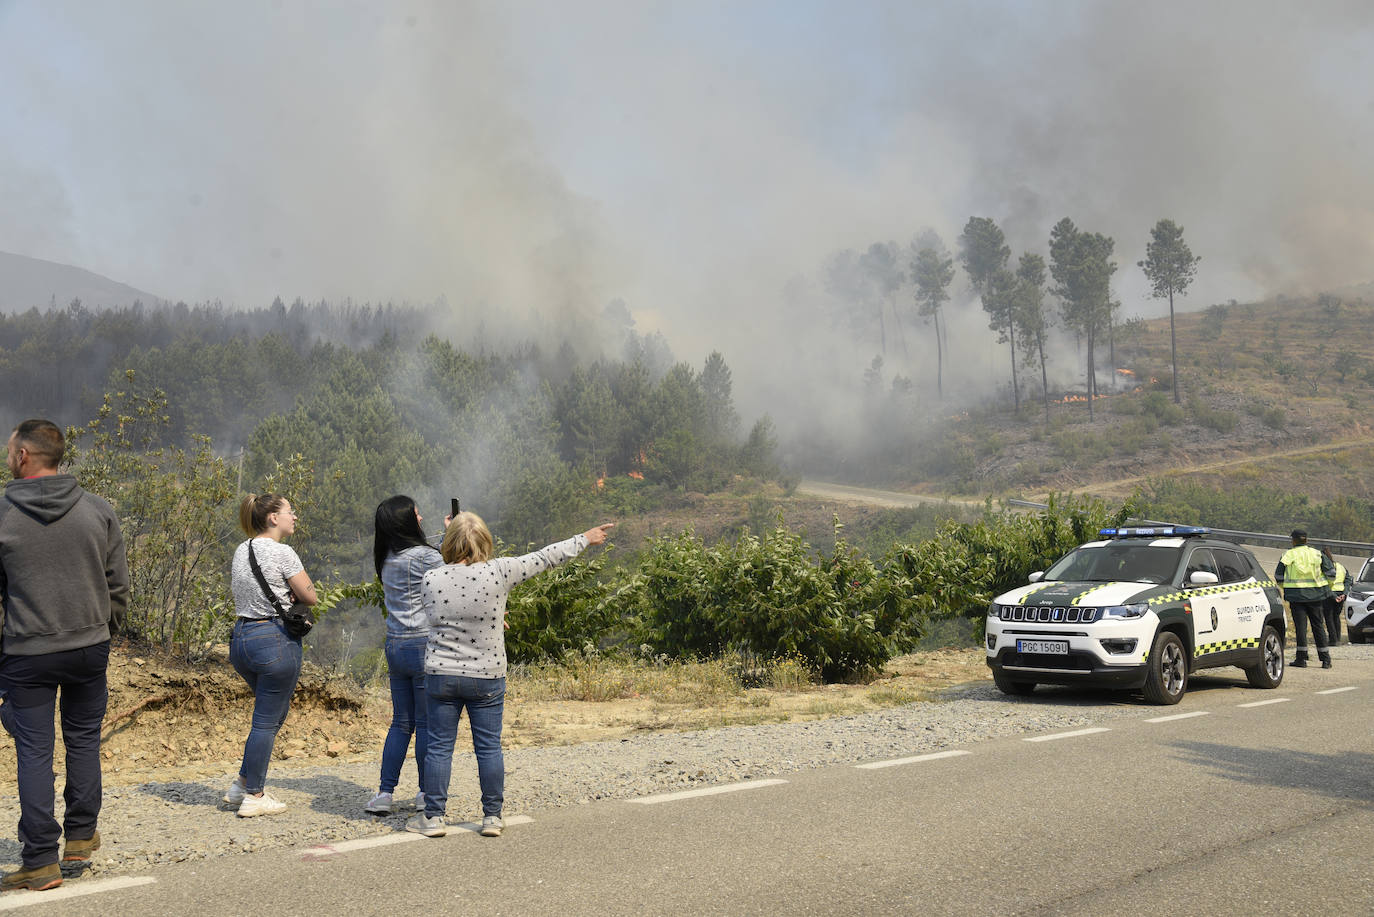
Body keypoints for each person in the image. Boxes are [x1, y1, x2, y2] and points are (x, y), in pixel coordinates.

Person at [407, 512, 613, 839]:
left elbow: (437, 616)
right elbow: (545, 557)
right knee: (488, 747)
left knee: (439, 747)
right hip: (487, 675)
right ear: (486, 541)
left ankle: (433, 817)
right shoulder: (500, 571)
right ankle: (492, 817)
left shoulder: (431, 578)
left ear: (449, 543)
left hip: (442, 674)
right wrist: (585, 538)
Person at [0, 419, 128, 892]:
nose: (7, 456)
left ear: (24, 456)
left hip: (27, 651)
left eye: (9, 450)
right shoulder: (98, 509)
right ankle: (80, 835)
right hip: (89, 647)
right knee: (83, 739)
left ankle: (39, 859)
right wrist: (104, 632)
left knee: (34, 751)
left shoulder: (3, 514)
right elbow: (118, 586)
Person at [224, 493, 318, 817]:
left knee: (272, 713)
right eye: (290, 511)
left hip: (242, 639)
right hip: (274, 640)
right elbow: (310, 595)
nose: (295, 516)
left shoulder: (243, 549)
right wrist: (294, 592)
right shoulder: (283, 552)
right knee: (266, 720)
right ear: (273, 518)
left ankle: (241, 783)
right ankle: (255, 795)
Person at [365, 495, 444, 815]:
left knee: (400, 723)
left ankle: (385, 793)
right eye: (416, 514)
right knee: (425, 724)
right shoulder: (425, 557)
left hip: (395, 645)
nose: (421, 518)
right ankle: (425, 792)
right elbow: (453, 573)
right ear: (406, 521)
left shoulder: (385, 558)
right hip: (422, 644)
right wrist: (454, 533)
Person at [1275, 529, 1335, 669]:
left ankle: (1301, 659)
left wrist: (1288, 588)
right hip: (1316, 596)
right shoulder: (1317, 554)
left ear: (1293, 540)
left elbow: (1278, 576)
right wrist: (1326, 588)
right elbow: (1331, 573)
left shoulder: (1288, 555)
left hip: (1296, 597)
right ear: (1306, 540)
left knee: (1300, 628)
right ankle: (1326, 660)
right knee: (1318, 626)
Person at [1321, 546, 1349, 646]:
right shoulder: (1340, 566)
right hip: (1341, 593)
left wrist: (1333, 596)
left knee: (1329, 617)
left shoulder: (1324, 568)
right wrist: (1344, 593)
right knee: (1336, 617)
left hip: (1329, 594)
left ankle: (1333, 640)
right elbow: (1348, 579)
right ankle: (1337, 638)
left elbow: (1323, 583)